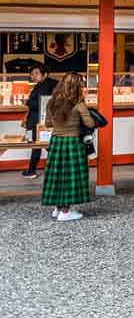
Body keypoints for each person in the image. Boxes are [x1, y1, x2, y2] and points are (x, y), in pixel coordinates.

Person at [40, 72, 93, 222]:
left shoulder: (52, 102)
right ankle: (65, 211)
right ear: (77, 86)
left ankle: (57, 208)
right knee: (71, 176)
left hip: (56, 141)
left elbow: (48, 124)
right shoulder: (79, 104)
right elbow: (90, 123)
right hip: (72, 142)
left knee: (57, 175)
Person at [20, 63, 57, 179]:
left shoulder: (45, 85)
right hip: (39, 119)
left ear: (44, 74)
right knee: (40, 144)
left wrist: (27, 102)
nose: (33, 76)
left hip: (39, 120)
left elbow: (41, 103)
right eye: (31, 74)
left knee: (38, 144)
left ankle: (32, 170)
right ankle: (33, 170)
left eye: (36, 73)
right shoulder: (43, 84)